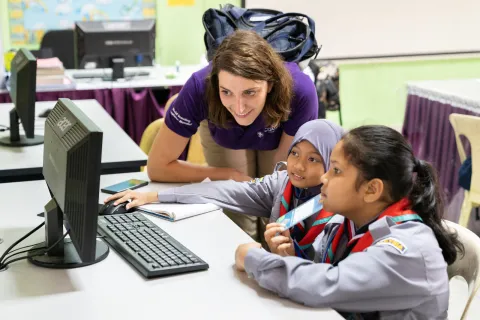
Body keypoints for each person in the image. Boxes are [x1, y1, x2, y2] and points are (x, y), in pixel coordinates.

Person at [234, 125, 464, 319]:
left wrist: (254, 258)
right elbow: (320, 273)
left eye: (336, 170)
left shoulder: (406, 250)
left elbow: (326, 285)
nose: (324, 177)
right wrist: (290, 255)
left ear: (372, 189)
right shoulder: (344, 224)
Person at [147, 30, 318, 241]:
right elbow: (157, 168)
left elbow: (285, 178)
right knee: (236, 215)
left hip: (278, 133)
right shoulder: (200, 87)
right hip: (224, 130)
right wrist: (227, 175)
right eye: (226, 91)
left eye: (250, 92)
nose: (239, 108)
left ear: (270, 85)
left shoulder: (299, 91)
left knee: (276, 211)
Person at [105, 119, 342, 250]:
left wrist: (291, 257)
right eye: (295, 154)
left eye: (313, 159)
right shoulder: (281, 184)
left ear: (333, 164)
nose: (298, 166)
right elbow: (222, 190)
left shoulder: (341, 207)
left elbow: (331, 272)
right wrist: (154, 197)